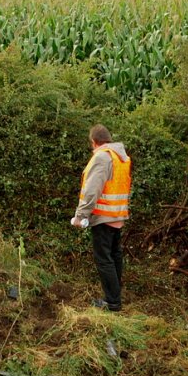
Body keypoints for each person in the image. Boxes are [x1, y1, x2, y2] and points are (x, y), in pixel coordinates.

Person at [71, 124, 131, 312]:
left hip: (103, 216)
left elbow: (92, 190)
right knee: (114, 256)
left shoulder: (102, 157)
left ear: (94, 142)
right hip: (117, 215)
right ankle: (114, 297)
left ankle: (112, 302)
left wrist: (81, 216)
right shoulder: (120, 157)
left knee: (104, 259)